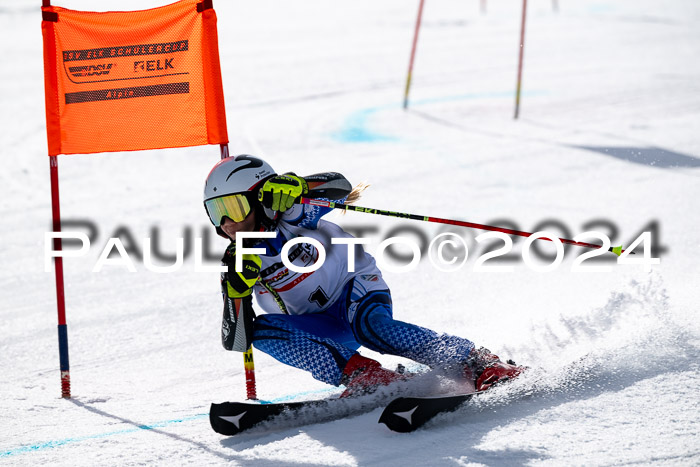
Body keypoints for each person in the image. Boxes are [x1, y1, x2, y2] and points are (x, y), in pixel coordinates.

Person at [203, 154, 523, 397]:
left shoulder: (295, 212)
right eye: (217, 212)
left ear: (261, 198)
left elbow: (340, 187)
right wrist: (237, 293)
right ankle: (365, 376)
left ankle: (476, 361)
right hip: (320, 327)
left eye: (234, 207)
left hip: (354, 290)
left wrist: (300, 186)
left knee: (372, 328)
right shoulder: (237, 262)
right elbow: (237, 340)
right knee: (263, 331)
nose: (227, 223)